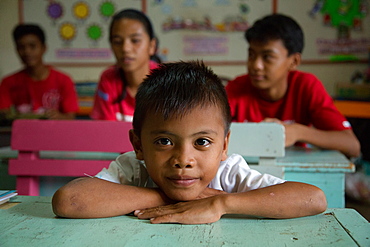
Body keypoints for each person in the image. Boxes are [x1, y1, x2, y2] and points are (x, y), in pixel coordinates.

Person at [52, 61, 327, 224]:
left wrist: (221, 204)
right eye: (163, 141)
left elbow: (313, 199)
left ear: (224, 146)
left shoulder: (228, 172)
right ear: (138, 145)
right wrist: (167, 197)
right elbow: (69, 201)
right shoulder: (134, 168)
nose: (183, 159)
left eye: (203, 142)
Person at [225, 14, 360, 158]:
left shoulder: (306, 86)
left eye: (267, 57)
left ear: (294, 61)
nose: (255, 65)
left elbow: (352, 146)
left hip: (295, 172)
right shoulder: (236, 88)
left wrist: (297, 132)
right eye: (251, 55)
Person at [90, 9, 160, 121]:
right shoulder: (108, 79)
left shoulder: (166, 81)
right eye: (117, 42)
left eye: (135, 40)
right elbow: (104, 131)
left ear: (152, 46)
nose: (125, 49)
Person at [0, 24, 79, 120]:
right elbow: (4, 116)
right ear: (17, 50)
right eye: (21, 47)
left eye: (32, 46)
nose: (27, 52)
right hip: (22, 134)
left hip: (54, 133)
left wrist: (59, 117)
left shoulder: (63, 80)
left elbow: (70, 117)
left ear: (44, 48)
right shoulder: (8, 83)